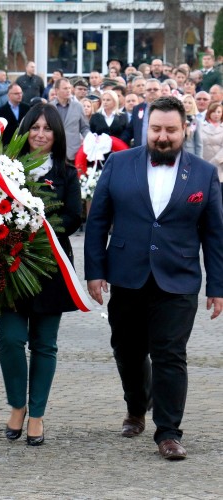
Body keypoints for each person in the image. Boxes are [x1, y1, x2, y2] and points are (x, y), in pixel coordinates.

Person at [84, 96, 223, 460]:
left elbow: (215, 234)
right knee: (128, 351)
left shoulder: (204, 174)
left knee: (170, 354)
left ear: (184, 130)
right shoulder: (118, 163)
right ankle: (136, 405)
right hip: (127, 275)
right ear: (147, 128)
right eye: (157, 129)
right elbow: (98, 220)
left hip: (178, 280)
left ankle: (169, 432)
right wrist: (95, 272)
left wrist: (218, 287)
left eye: (171, 130)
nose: (163, 137)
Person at [0, 103, 81, 446]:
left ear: (57, 134)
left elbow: (74, 217)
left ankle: (37, 415)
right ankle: (17, 405)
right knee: (11, 340)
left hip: (51, 267)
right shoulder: (5, 169)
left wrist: (39, 222)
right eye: (35, 127)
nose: (41, 134)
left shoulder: (67, 173)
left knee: (45, 345)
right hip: (9, 266)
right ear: (25, 131)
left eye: (48, 128)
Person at [52, 78, 90, 163]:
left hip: (73, 153)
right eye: (65, 88)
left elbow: (84, 128)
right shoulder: (49, 107)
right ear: (57, 90)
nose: (68, 91)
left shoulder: (78, 106)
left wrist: (90, 138)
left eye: (69, 88)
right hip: (54, 152)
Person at [120, 78, 161, 147]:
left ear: (161, 91)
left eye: (155, 89)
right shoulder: (137, 109)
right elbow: (130, 130)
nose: (152, 91)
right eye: (149, 90)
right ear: (145, 92)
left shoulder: (168, 108)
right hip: (141, 151)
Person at [200, 102, 223, 198]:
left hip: (219, 165)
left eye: (219, 112)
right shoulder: (201, 126)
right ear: (209, 112)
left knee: (218, 195)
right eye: (214, 111)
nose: (216, 114)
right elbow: (199, 145)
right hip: (203, 163)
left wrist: (214, 161)